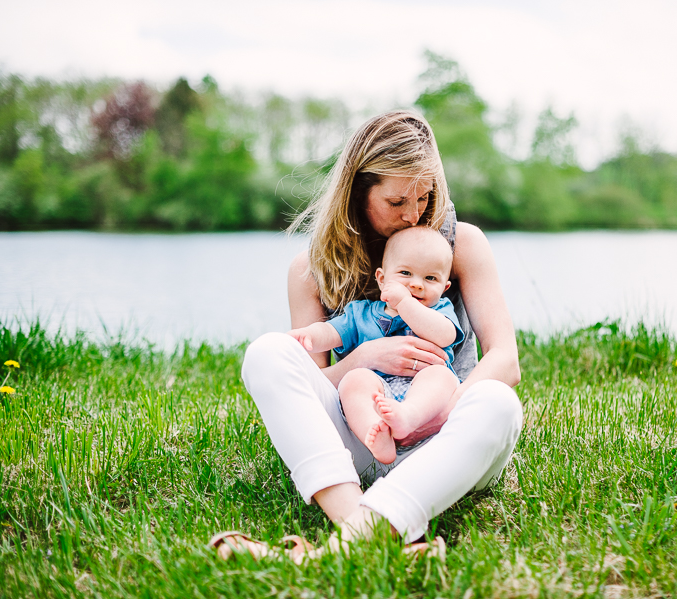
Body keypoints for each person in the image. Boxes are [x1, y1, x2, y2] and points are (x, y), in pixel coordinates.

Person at [212, 109, 522, 559]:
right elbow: (310, 383)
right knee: (267, 352)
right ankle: (364, 532)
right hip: (364, 435)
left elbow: (505, 360)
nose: (414, 214)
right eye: (397, 202)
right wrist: (365, 358)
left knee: (499, 403)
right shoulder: (309, 270)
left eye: (424, 197)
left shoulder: (460, 245)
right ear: (359, 191)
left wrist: (441, 411)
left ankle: (335, 551)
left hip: (447, 443)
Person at [287, 226, 464, 466]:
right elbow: (332, 331)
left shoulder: (439, 310)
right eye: (405, 273)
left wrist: (404, 303)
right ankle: (375, 430)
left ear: (444, 288)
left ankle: (407, 416)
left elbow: (444, 335)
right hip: (378, 394)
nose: (417, 284)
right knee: (354, 380)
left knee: (440, 375)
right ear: (382, 279)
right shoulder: (360, 313)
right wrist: (309, 336)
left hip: (427, 403)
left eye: (430, 278)